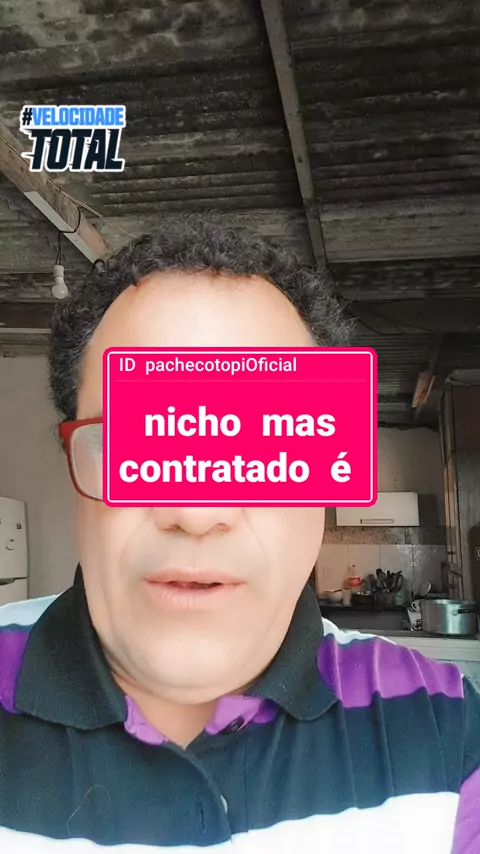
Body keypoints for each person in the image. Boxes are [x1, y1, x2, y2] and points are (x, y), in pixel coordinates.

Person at [0, 218, 478, 854]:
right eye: (142, 442)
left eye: (267, 443)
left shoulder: (449, 725)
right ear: (74, 463)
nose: (198, 509)